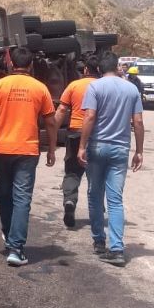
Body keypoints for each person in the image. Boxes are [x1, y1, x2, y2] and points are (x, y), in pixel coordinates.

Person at [0, 47, 57, 267]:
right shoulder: (40, 88)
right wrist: (52, 149)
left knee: (5, 195)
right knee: (22, 197)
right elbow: (51, 122)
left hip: (3, 149)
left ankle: (8, 236)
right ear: (30, 65)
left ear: (11, 64)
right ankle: (16, 249)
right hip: (27, 150)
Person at [78, 51, 144, 267]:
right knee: (115, 200)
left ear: (99, 69)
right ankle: (116, 249)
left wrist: (82, 146)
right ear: (117, 67)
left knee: (95, 195)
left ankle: (99, 241)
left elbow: (89, 116)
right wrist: (139, 151)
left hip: (97, 146)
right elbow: (138, 122)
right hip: (120, 149)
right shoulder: (131, 89)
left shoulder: (95, 87)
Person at [54, 55, 100, 228]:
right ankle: (97, 208)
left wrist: (52, 132)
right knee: (96, 173)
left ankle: (70, 200)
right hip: (97, 135)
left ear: (86, 69)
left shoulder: (74, 85)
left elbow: (61, 110)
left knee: (72, 172)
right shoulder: (103, 87)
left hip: (75, 133)